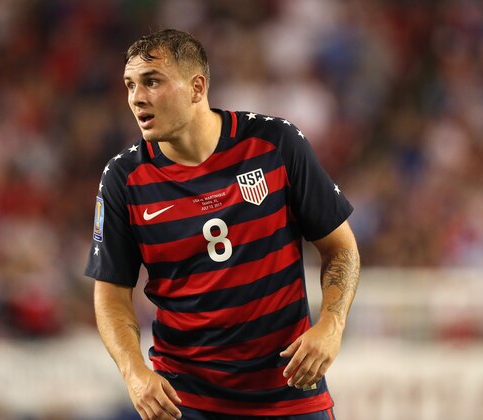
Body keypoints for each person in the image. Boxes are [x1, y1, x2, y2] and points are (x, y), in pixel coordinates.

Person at [85, 29, 360, 420]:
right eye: (130, 85)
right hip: (185, 402)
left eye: (152, 82)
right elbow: (111, 292)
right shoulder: (123, 178)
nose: (136, 98)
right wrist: (133, 373)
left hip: (289, 393)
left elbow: (341, 248)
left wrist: (331, 326)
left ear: (197, 88)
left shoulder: (275, 144)